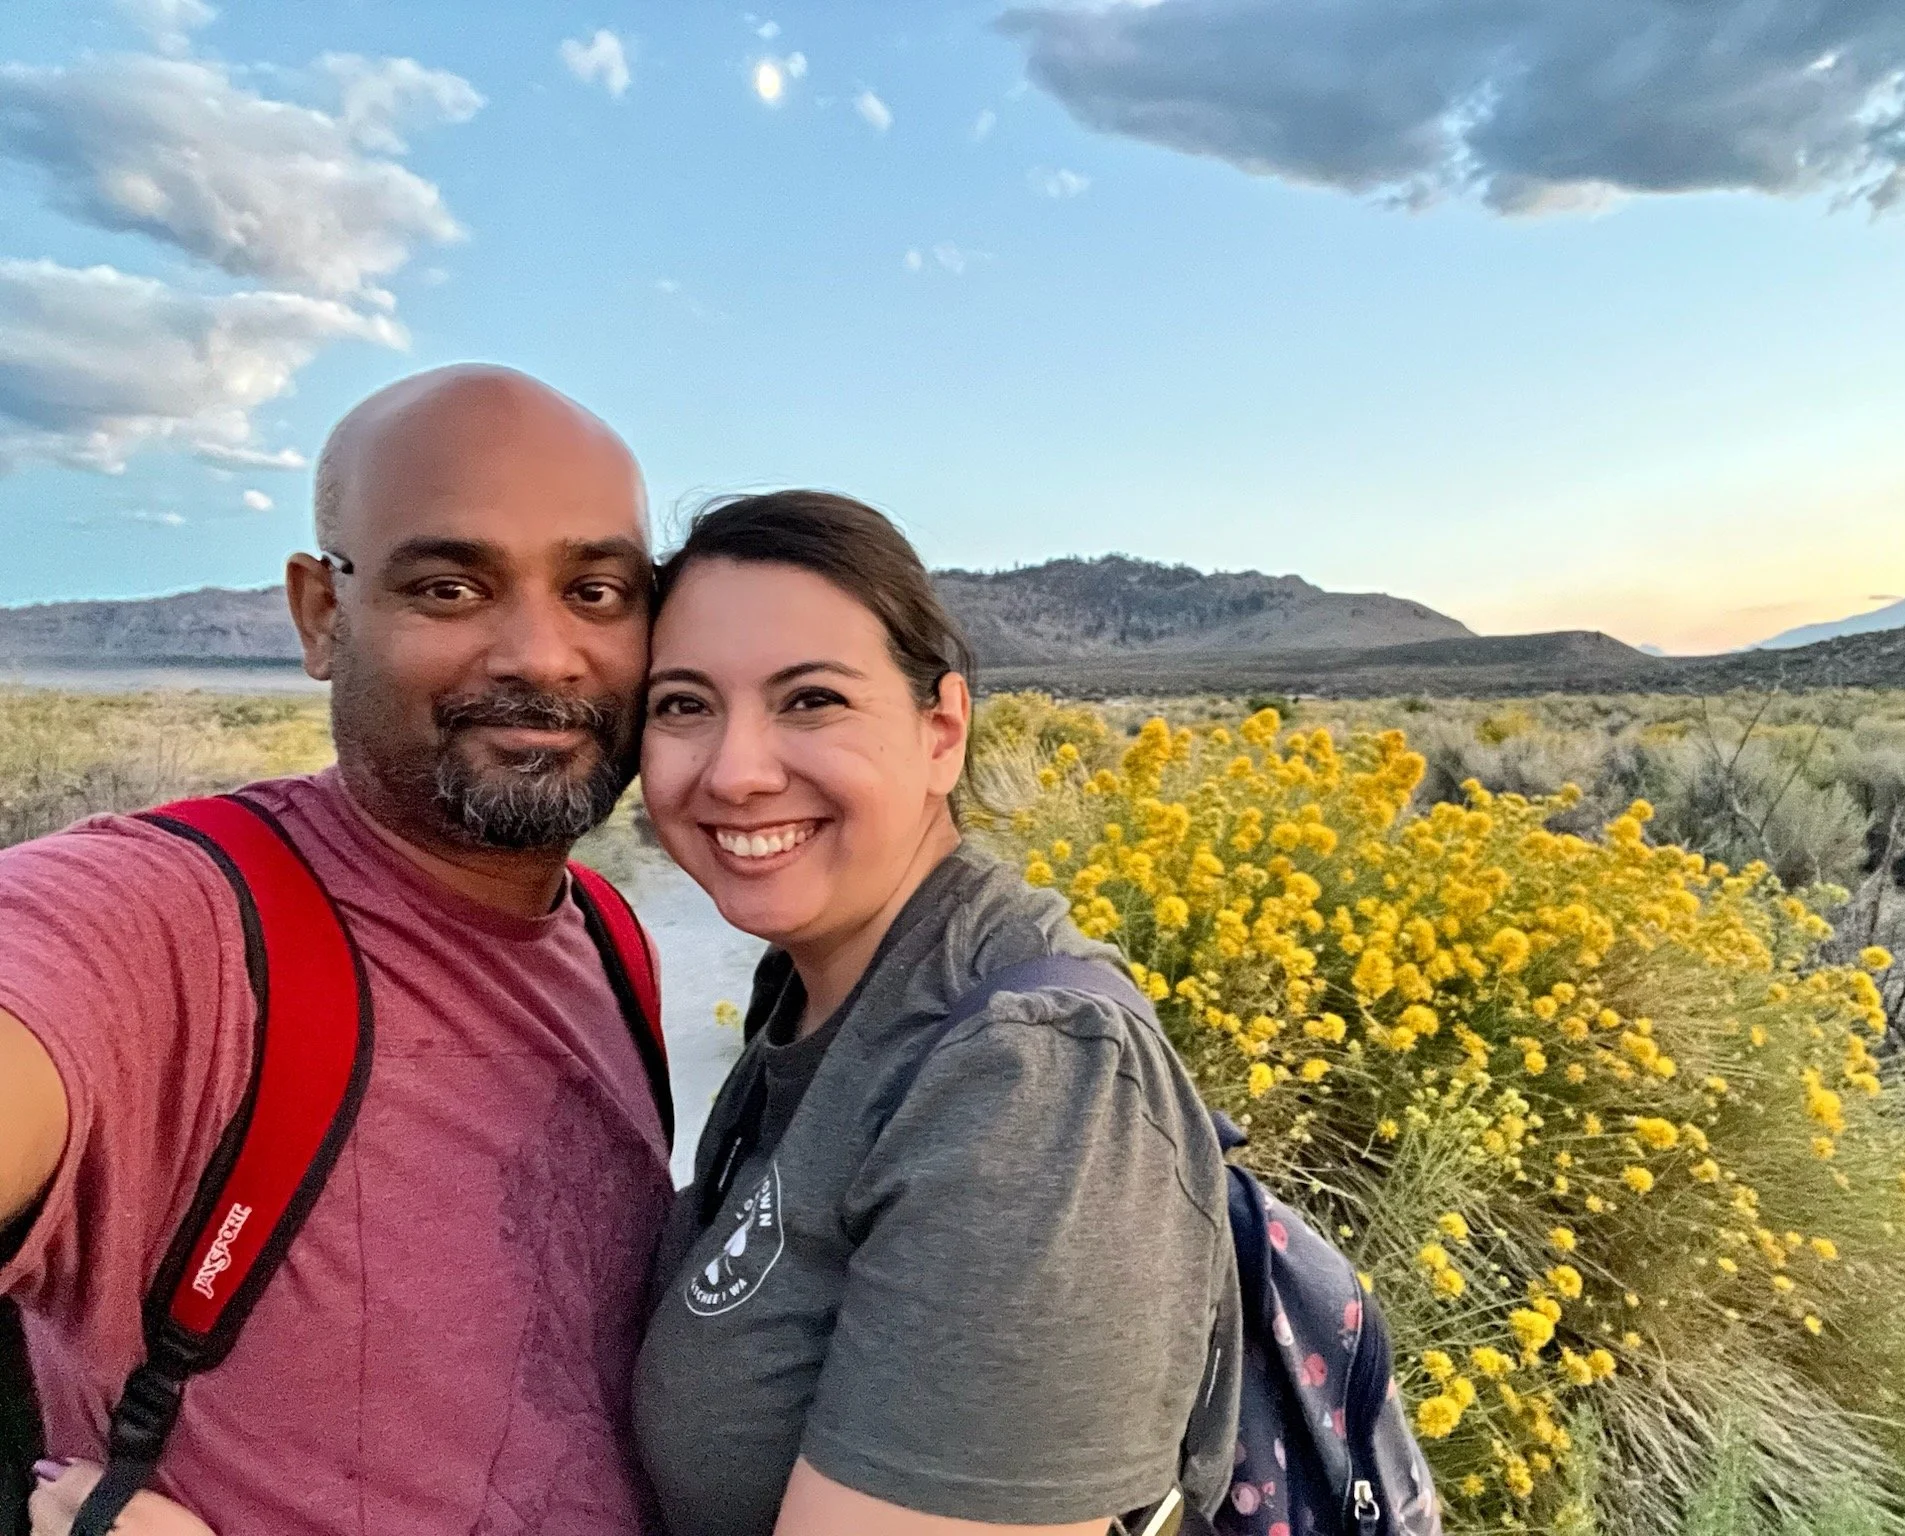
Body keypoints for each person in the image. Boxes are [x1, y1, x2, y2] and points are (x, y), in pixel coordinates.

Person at [3, 365, 674, 1535]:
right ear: (321, 615)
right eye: (451, 586)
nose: (543, 654)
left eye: (598, 590)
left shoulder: (611, 940)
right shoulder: (164, 926)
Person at [630, 491, 1241, 1536]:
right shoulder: (818, 990)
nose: (733, 771)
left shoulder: (1033, 1083)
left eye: (811, 699)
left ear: (940, 731)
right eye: (683, 705)